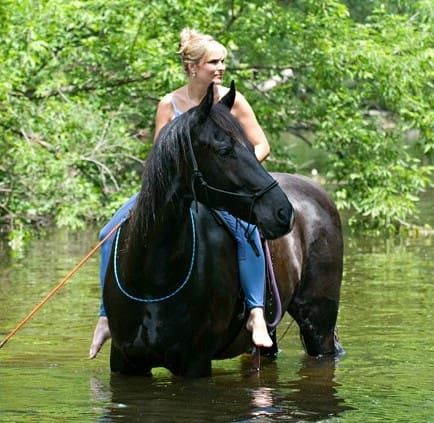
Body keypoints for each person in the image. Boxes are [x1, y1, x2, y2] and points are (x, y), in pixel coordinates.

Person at [89, 28, 272, 359]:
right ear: (192, 66)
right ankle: (106, 316)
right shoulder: (168, 104)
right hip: (173, 192)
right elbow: (160, 157)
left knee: (247, 231)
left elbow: (261, 145)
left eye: (223, 62)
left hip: (219, 188)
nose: (221, 68)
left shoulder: (232, 102)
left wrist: (232, 172)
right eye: (213, 62)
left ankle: (256, 313)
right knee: (108, 232)